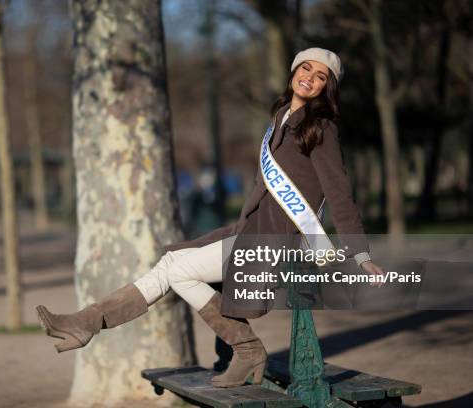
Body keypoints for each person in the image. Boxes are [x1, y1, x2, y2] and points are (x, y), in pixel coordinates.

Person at [36, 47, 386, 388]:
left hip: (276, 242)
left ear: (328, 87)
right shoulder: (281, 116)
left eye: (320, 75)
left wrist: (361, 254)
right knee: (171, 262)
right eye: (305, 69)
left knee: (178, 272)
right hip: (250, 231)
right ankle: (85, 322)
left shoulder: (322, 129)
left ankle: (245, 347)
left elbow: (339, 194)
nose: (309, 78)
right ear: (294, 71)